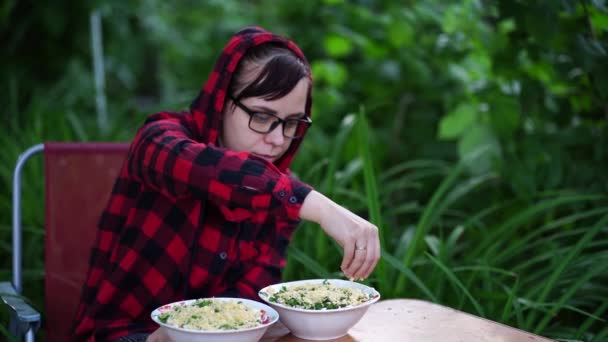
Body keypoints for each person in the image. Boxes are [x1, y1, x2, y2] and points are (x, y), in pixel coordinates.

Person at [71, 26, 381, 342]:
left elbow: (248, 297)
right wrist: (318, 206)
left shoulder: (279, 198)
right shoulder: (159, 139)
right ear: (221, 100)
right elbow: (212, 171)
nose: (277, 139)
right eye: (261, 116)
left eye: (291, 123)